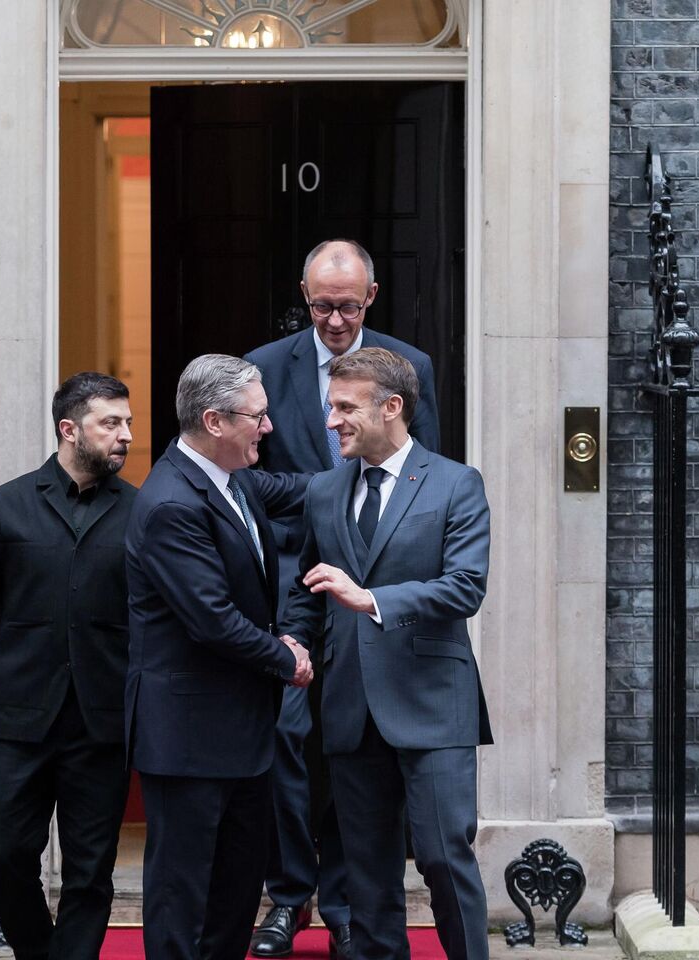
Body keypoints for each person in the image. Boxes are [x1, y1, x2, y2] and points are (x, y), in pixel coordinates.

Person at [241, 239, 440, 960]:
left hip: (374, 589)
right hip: (289, 586)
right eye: (322, 306)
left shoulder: (408, 366)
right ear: (304, 295)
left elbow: (425, 476)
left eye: (348, 307)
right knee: (287, 740)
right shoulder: (263, 368)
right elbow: (247, 478)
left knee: (356, 748)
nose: (333, 320)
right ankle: (289, 895)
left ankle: (347, 902)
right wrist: (323, 492)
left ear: (371, 298)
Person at [286, 347, 492, 960]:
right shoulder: (324, 490)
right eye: (331, 407)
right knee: (366, 875)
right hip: (351, 705)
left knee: (443, 857)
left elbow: (465, 586)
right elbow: (306, 586)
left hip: (433, 702)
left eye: (345, 408)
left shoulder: (456, 483)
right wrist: (293, 640)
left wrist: (371, 598)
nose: (332, 421)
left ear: (391, 407)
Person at [0, 372, 138, 960]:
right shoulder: (6, 505)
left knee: (90, 871)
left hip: (102, 722)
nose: (126, 435)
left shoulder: (141, 511)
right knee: (2, 852)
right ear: (70, 429)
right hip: (19, 717)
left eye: (127, 422)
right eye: (111, 423)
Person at [126, 353, 315, 960]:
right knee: (184, 897)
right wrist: (286, 658)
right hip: (189, 737)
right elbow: (212, 619)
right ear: (214, 421)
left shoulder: (235, 481)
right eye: (257, 417)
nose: (268, 427)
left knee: (235, 894)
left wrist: (381, 461)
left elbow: (301, 489)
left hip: (242, 733)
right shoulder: (172, 502)